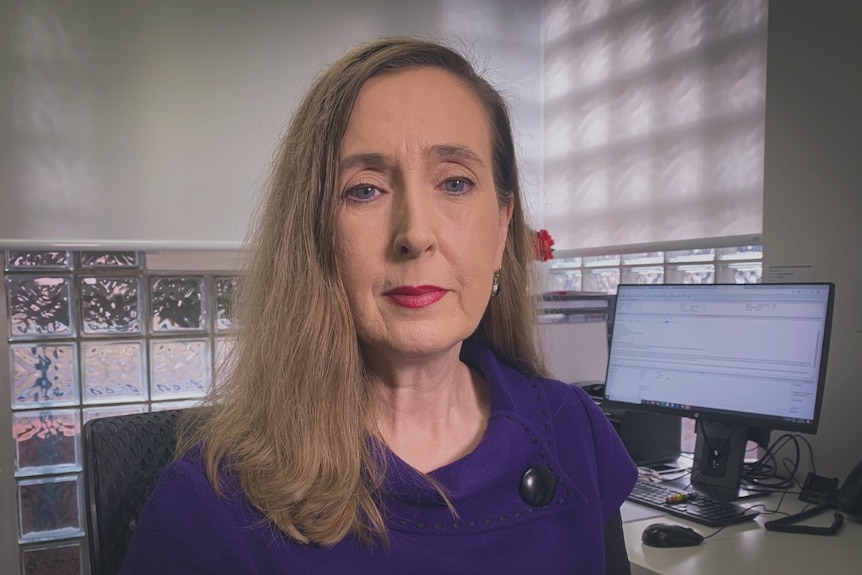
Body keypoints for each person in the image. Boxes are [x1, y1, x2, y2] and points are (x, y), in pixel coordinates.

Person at [120, 37, 637, 574]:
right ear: (316, 233)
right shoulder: (209, 506)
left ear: (504, 222)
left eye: (455, 182)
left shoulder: (574, 428)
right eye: (364, 190)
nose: (415, 233)